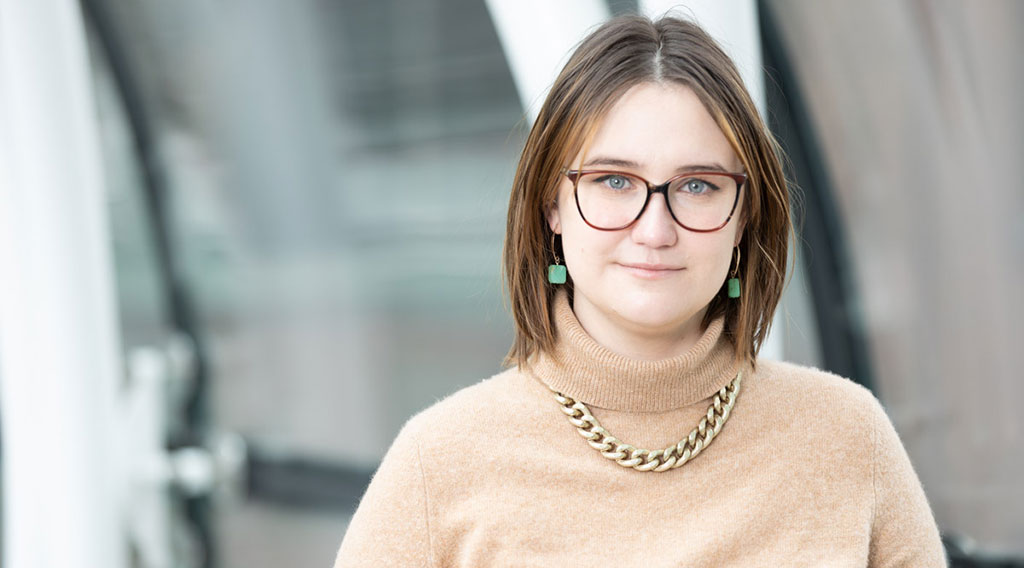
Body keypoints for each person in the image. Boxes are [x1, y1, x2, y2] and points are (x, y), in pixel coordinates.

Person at [334, 14, 945, 567]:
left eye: (698, 186)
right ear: (553, 203)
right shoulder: (438, 464)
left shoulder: (846, 437)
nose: (655, 230)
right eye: (614, 181)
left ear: (744, 217)